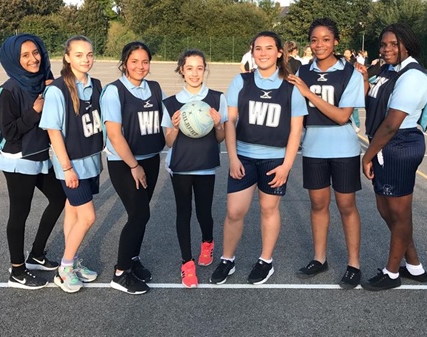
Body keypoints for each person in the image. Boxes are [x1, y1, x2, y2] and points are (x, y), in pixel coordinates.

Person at [210, 31, 307, 285]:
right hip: (243, 156)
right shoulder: (241, 81)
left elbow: (296, 130)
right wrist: (232, 157)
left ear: (279, 53)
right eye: (258, 48)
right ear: (252, 52)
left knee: (268, 208)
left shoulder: (291, 85)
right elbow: (230, 121)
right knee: (234, 211)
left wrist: (287, 165)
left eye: (268, 48)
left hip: (275, 160)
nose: (263, 53)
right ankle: (227, 260)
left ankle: (266, 260)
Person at [287, 18, 365, 289]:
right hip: (313, 149)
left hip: (344, 150)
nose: (319, 45)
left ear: (336, 42)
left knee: (346, 206)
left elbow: (343, 117)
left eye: (326, 39)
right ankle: (320, 258)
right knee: (318, 205)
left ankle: (354, 264)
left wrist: (308, 93)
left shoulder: (350, 74)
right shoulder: (303, 72)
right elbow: (296, 113)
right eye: (314, 40)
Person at [358, 23, 427, 291]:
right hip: (384, 144)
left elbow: (391, 123)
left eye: (393, 44)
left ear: (407, 45)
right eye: (383, 44)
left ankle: (391, 273)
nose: (387, 49)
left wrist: (368, 156)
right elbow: (372, 102)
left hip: (398, 145)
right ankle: (414, 265)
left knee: (399, 213)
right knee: (386, 208)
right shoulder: (389, 71)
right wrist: (365, 78)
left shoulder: (413, 76)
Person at [0, 33, 67, 289]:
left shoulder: (43, 83)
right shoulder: (10, 90)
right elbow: (9, 132)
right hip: (18, 159)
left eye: (35, 52)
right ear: (14, 59)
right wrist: (34, 112)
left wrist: (53, 89)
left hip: (38, 155)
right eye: (25, 55)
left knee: (59, 198)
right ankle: (17, 270)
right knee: (19, 213)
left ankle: (36, 254)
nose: (33, 59)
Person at [100, 41, 165, 295]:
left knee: (141, 214)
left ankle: (133, 259)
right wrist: (134, 165)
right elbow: (115, 134)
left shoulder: (155, 88)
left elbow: (166, 121)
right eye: (134, 61)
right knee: (139, 215)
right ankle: (120, 273)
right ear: (125, 62)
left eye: (145, 61)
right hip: (126, 163)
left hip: (151, 159)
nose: (140, 66)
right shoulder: (114, 91)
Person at [40, 36, 103, 294]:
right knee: (88, 216)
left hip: (91, 159)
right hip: (71, 164)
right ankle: (64, 269)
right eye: (79, 55)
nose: (85, 59)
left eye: (89, 54)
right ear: (67, 57)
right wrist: (66, 168)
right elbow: (53, 131)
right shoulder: (57, 89)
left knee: (73, 212)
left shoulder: (96, 85)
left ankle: (72, 258)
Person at [162, 49, 228, 288]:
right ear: (181, 70)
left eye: (199, 68)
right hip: (180, 166)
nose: (194, 73)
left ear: (205, 70)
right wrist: (177, 127)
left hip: (205, 166)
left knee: (204, 212)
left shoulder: (217, 98)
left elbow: (220, 138)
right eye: (189, 68)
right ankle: (186, 263)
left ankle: (208, 241)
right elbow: (169, 141)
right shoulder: (170, 103)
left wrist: (219, 124)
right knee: (183, 213)